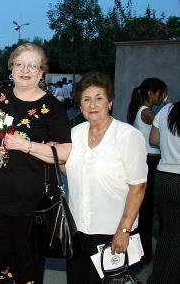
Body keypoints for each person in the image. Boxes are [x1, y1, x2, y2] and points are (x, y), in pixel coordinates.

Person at [25, 72, 147, 284]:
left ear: (110, 102)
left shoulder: (128, 136)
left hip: (112, 231)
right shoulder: (74, 134)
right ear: (80, 104)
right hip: (78, 229)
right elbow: (70, 171)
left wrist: (124, 230)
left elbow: (138, 187)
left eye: (99, 98)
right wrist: (53, 158)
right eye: (86, 99)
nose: (93, 104)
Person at [0, 43, 71, 283]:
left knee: (27, 265)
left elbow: (64, 152)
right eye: (19, 64)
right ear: (11, 68)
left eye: (33, 65)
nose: (25, 69)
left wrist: (27, 145)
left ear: (42, 72)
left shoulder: (51, 106)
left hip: (32, 203)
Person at [127, 77, 167, 264]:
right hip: (149, 164)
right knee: (146, 212)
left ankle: (141, 253)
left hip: (146, 163)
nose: (163, 97)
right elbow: (167, 119)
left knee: (144, 211)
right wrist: (169, 103)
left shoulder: (142, 111)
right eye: (161, 93)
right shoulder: (147, 113)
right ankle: (143, 254)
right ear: (151, 94)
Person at [148, 100, 180, 284]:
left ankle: (156, 278)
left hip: (163, 178)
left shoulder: (167, 109)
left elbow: (153, 139)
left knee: (168, 232)